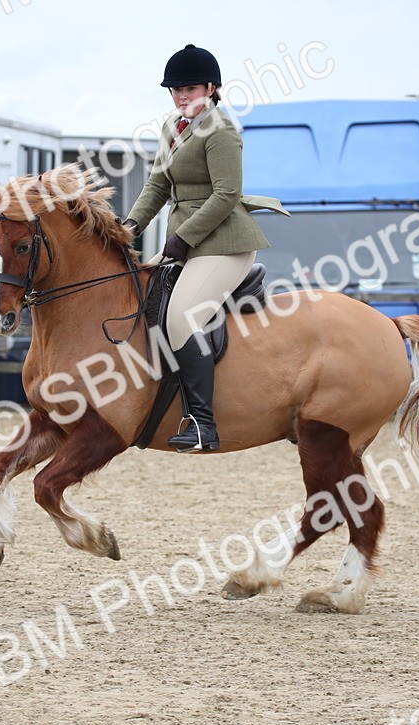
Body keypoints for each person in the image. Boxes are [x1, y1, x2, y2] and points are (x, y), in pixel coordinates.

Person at [123, 44, 286, 453]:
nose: (181, 95)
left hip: (225, 244)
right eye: (175, 89)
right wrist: (129, 226)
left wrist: (182, 239)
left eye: (190, 88)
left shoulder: (221, 130)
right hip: (189, 244)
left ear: (211, 88)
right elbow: (158, 186)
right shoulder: (172, 128)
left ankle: (201, 424)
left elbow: (226, 194)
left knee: (181, 318)